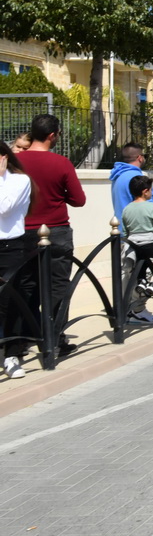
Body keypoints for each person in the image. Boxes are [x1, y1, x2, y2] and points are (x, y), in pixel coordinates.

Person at [17, 114, 86, 358]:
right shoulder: (61, 163)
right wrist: (59, 195)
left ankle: (23, 338)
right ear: (52, 135)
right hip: (56, 230)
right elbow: (79, 200)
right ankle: (54, 338)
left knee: (25, 286)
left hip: (21, 232)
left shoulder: (15, 161)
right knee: (58, 286)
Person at [1, 140, 33, 379]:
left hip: (10, 247)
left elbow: (4, 207)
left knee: (10, 302)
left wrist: (1, 176)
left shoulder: (19, 180)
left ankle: (11, 355)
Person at [120, 174, 153, 324]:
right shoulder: (151, 206)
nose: (152, 193)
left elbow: (125, 232)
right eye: (150, 190)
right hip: (150, 243)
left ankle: (143, 284)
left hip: (133, 245)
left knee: (140, 267)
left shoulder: (127, 209)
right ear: (145, 191)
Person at [110, 143, 153, 233]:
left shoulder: (117, 176)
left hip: (120, 231)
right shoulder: (138, 178)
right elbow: (149, 207)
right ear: (140, 158)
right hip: (139, 234)